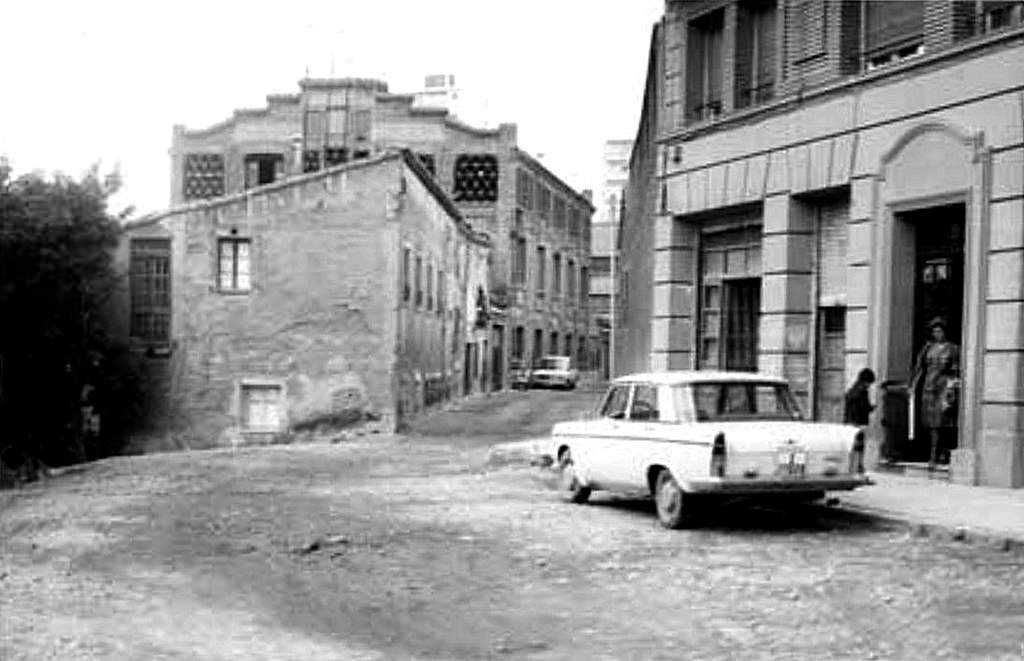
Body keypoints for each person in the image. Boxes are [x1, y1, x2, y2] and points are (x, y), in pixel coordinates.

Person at [911, 317, 960, 470]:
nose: (937, 333)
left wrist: (952, 389)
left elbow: (956, 371)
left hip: (944, 387)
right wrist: (912, 386)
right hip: (928, 387)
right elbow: (919, 368)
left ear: (944, 332)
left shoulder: (953, 349)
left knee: (940, 423)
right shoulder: (927, 348)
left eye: (939, 331)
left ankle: (936, 455)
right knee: (929, 423)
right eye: (934, 331)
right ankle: (935, 453)